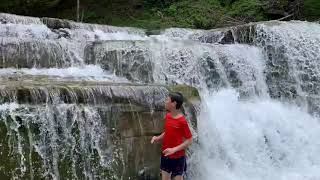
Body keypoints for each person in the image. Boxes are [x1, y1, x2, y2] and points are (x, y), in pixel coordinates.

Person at [151, 92, 193, 180]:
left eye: (167, 100)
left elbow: (189, 140)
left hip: (178, 158)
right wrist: (157, 138)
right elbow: (168, 132)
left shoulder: (182, 121)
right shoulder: (168, 116)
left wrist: (174, 149)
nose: (165, 102)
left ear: (173, 104)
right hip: (166, 154)